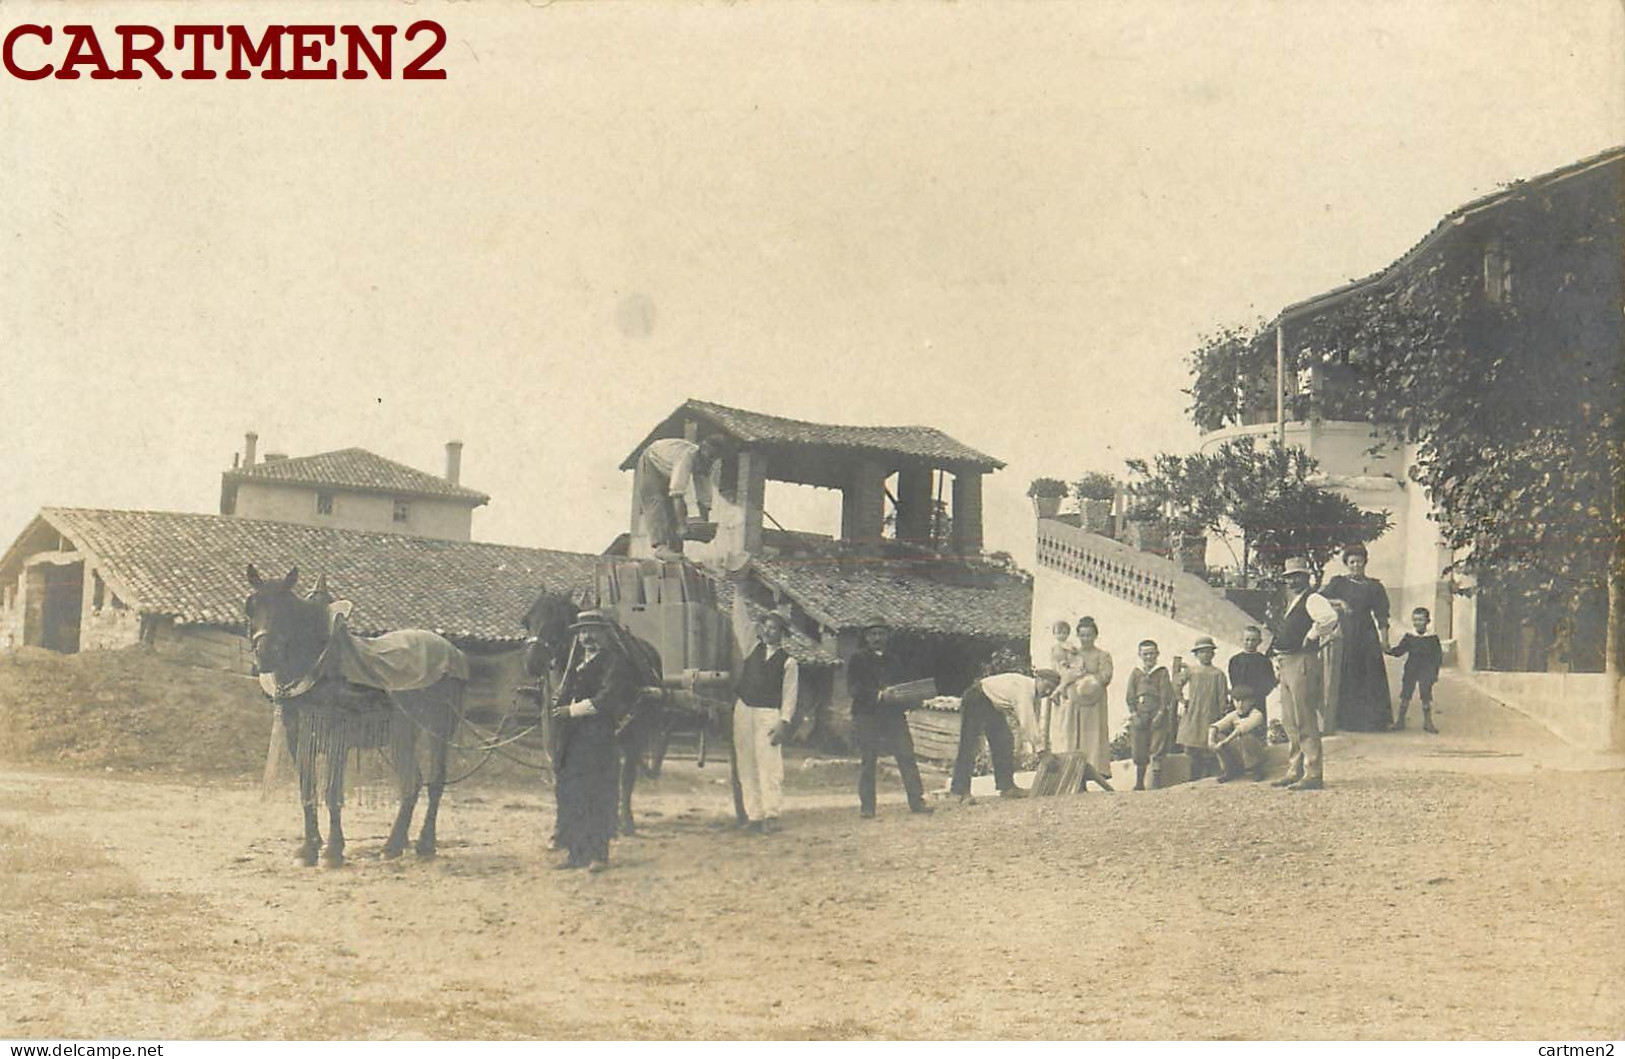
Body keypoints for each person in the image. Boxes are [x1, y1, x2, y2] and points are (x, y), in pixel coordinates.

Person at [549, 610, 640, 872]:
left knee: (597, 792)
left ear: (604, 634)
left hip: (598, 736)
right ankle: (576, 853)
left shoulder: (615, 662)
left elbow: (607, 699)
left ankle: (599, 854)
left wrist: (570, 711)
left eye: (593, 631)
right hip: (572, 738)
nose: (587, 637)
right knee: (572, 792)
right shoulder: (575, 663)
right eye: (582, 632)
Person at [847, 617, 932, 818]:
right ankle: (867, 807)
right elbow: (854, 689)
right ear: (867, 637)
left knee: (906, 755)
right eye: (873, 634)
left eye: (881, 633)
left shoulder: (894, 660)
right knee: (869, 760)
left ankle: (917, 802)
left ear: (888, 636)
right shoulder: (857, 659)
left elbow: (903, 687)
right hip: (867, 714)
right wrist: (878, 695)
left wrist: (912, 700)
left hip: (893, 715)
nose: (877, 638)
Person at [1268, 558, 1340, 791]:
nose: (1292, 580)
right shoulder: (1292, 602)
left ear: (1306, 577)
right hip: (1286, 662)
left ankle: (1313, 773)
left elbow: (1329, 619)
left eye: (1297, 576)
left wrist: (1311, 636)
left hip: (1302, 661)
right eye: (1289, 577)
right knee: (1290, 720)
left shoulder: (1313, 598)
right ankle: (1294, 769)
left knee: (1305, 718)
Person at [732, 608, 799, 833]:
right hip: (744, 710)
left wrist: (784, 721)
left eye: (774, 628)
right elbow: (740, 622)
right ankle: (755, 816)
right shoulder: (752, 648)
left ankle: (772, 815)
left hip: (768, 714)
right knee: (746, 763)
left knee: (769, 764)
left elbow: (790, 695)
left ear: (781, 633)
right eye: (767, 627)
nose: (769, 632)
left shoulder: (789, 662)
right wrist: (738, 589)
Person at [949, 669, 1058, 804]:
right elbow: (1027, 721)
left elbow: (1030, 720)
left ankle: (1007, 787)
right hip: (977, 697)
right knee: (970, 744)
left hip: (992, 705)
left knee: (1004, 741)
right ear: (1039, 679)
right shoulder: (1025, 690)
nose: (1047, 692)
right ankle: (960, 791)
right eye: (1047, 687)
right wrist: (1042, 751)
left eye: (1051, 690)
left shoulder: (1031, 693)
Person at [1321, 544, 1394, 731]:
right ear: (1346, 564)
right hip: (1345, 633)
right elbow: (1319, 600)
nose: (1355, 566)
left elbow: (1382, 614)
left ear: (1365, 563)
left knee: (1369, 675)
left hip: (1367, 634)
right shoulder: (1338, 583)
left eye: (1359, 562)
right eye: (1352, 562)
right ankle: (1346, 721)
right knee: (1347, 674)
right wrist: (1339, 601)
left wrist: (1384, 639)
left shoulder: (1374, 586)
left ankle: (1372, 722)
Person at [637, 436, 726, 558]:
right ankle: (660, 547)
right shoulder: (687, 457)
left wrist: (703, 524)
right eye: (710, 456)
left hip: (667, 467)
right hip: (652, 460)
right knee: (657, 500)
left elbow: (704, 498)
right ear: (702, 450)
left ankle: (676, 550)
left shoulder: (705, 464)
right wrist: (683, 526)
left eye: (714, 458)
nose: (711, 460)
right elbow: (677, 493)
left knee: (678, 510)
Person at [1176, 635, 1229, 781]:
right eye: (1201, 652)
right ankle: (1194, 777)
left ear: (1213, 654)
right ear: (1196, 654)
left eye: (1208, 651)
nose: (1205, 655)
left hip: (1210, 713)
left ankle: (1210, 777)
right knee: (1191, 748)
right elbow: (1176, 684)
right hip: (1193, 713)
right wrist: (1182, 700)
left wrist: (1221, 714)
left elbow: (1222, 697)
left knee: (1209, 745)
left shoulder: (1218, 674)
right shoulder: (1191, 671)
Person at [1125, 640, 1175, 790]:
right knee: (1139, 747)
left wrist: (1160, 713)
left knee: (1157, 746)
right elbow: (1130, 695)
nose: (1149, 657)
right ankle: (1139, 782)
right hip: (1140, 713)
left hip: (1157, 712)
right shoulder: (1136, 673)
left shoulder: (1162, 672)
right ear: (1140, 655)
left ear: (1157, 654)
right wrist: (1134, 713)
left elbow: (1166, 694)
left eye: (1152, 653)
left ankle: (1156, 783)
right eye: (1145, 654)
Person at [1071, 616, 1115, 783]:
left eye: (1089, 635)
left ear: (1095, 635)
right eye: (1082, 635)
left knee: (1095, 735)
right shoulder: (1074, 654)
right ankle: (1078, 776)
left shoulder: (1102, 655)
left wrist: (1088, 679)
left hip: (1095, 701)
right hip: (1077, 702)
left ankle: (1096, 771)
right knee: (1078, 735)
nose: (1086, 639)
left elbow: (1106, 675)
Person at [1388, 607, 1443, 733]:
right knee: (1406, 694)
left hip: (1426, 670)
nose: (1417, 623)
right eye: (1415, 620)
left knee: (1426, 695)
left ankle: (1428, 722)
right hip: (1411, 669)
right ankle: (1400, 721)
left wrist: (1434, 673)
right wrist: (1387, 649)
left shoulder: (1432, 638)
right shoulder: (1410, 637)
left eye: (1420, 620)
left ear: (1427, 621)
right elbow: (1399, 651)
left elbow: (1437, 657)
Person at [1210, 684, 1268, 782]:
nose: (1240, 705)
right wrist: (1211, 741)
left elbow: (1242, 729)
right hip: (1240, 750)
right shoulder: (1234, 714)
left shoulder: (1257, 714)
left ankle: (1256, 770)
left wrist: (1224, 742)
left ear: (1252, 701)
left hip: (1256, 751)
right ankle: (1230, 770)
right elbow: (1215, 726)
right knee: (1218, 736)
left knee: (1245, 736)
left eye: (1244, 701)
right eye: (1237, 701)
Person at [1045, 620, 1085, 753]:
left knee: (1069, 716)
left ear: (1068, 633)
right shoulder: (1054, 648)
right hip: (1059, 676)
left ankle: (1069, 747)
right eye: (1058, 632)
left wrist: (1067, 664)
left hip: (1068, 678)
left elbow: (1076, 664)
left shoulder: (1071, 647)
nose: (1061, 635)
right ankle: (1058, 747)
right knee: (1059, 717)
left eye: (1064, 632)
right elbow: (1054, 664)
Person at [1228, 625, 1275, 725]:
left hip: (1257, 702)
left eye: (1253, 640)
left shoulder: (1264, 661)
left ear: (1259, 641)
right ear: (1242, 639)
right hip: (1239, 702)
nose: (1249, 643)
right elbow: (1234, 681)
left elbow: (1269, 683)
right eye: (1247, 639)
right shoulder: (1235, 660)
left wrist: (1255, 696)